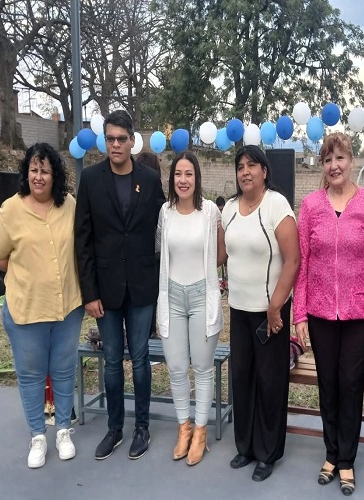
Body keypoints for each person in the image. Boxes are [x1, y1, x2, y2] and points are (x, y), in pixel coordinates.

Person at [294, 132, 364, 496]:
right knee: (328, 386)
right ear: (322, 165)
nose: (334, 166)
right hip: (319, 314)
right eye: (328, 160)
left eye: (340, 158)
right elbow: (302, 264)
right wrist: (300, 315)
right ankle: (331, 453)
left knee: (350, 386)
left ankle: (347, 459)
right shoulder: (310, 206)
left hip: (358, 316)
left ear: (352, 161)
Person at [0, 143, 84, 468]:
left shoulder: (69, 205)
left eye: (45, 171)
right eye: (34, 170)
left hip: (67, 308)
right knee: (31, 375)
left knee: (64, 371)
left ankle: (63, 431)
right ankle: (38, 436)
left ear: (55, 175)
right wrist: (23, 271)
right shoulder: (11, 210)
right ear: (26, 174)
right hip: (26, 309)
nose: (39, 177)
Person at [74, 110, 166, 461]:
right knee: (112, 361)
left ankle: (141, 427)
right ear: (104, 141)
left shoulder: (150, 180)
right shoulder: (91, 180)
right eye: (110, 139)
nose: (115, 144)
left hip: (141, 287)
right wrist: (89, 293)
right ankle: (114, 429)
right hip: (105, 290)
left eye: (121, 139)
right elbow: (82, 240)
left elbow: (165, 227)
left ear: (132, 140)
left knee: (140, 360)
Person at [222, 145, 300, 482]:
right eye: (240, 166)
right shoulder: (228, 209)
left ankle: (268, 452)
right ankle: (246, 446)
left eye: (252, 165)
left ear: (264, 171)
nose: (245, 171)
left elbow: (293, 260)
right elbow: (221, 255)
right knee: (242, 378)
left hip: (271, 312)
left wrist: (276, 306)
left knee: (270, 383)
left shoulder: (276, 205)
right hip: (238, 309)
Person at [155, 151, 226, 466]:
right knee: (176, 367)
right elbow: (161, 250)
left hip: (201, 296)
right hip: (171, 296)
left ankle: (200, 431)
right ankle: (183, 427)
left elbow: (221, 253)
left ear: (197, 178)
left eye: (189, 174)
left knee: (202, 366)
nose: (183, 180)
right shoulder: (165, 212)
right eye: (178, 174)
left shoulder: (209, 211)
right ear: (172, 179)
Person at [136, 152, 163, 340]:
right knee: (151, 296)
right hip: (154, 252)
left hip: (137, 252)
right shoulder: (155, 188)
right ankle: (150, 331)